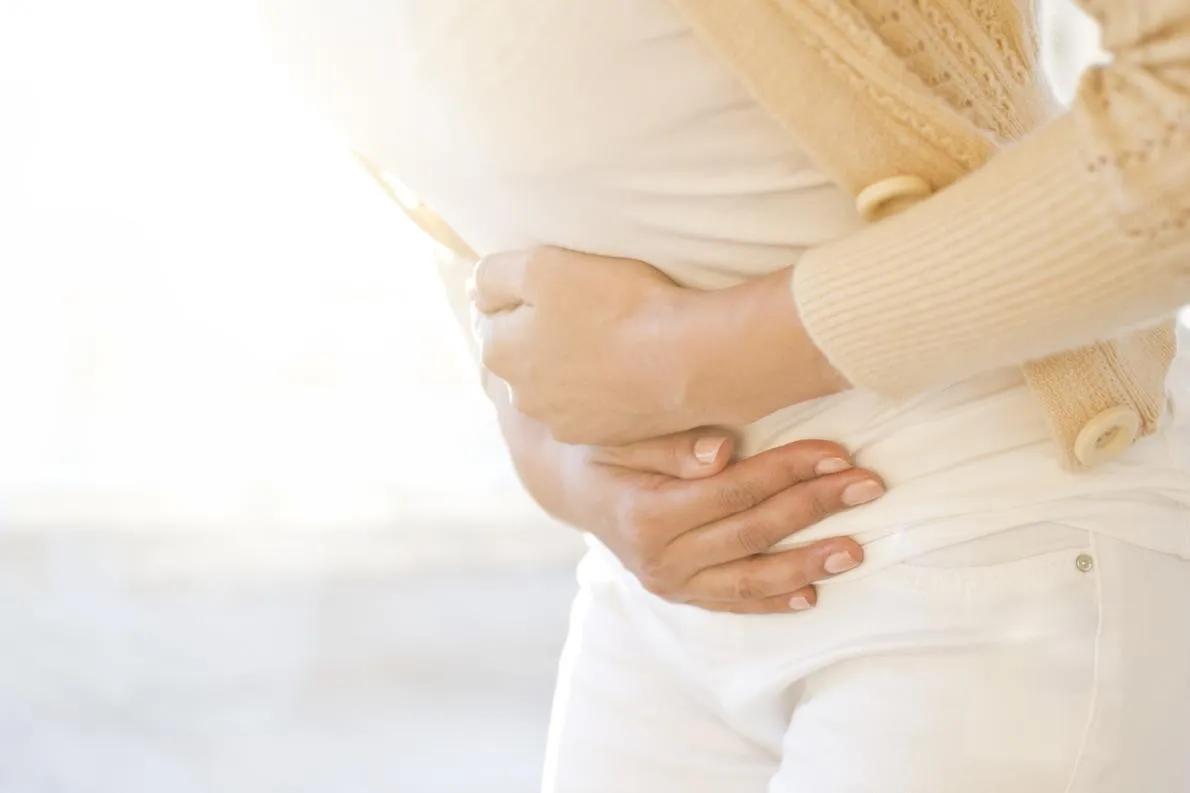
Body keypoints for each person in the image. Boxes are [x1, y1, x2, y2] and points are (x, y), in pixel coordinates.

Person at [259, 1, 1190, 790]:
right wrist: (542, 438)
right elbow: (460, 137)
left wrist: (689, 356)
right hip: (655, 588)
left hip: (991, 563)